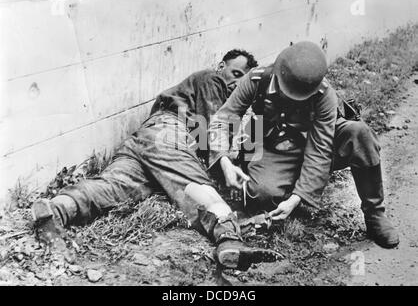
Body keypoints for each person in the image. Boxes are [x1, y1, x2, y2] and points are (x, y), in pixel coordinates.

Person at [31, 49, 281, 270]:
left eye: (243, 78)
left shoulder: (213, 94)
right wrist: (230, 167)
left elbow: (212, 135)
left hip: (146, 141)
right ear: (221, 67)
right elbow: (212, 133)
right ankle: (229, 238)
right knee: (195, 183)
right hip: (168, 134)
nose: (236, 82)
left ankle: (57, 209)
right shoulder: (210, 79)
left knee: (116, 186)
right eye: (235, 73)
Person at [208, 41, 399, 249]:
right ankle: (291, 184)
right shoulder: (256, 79)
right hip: (276, 147)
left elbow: (320, 150)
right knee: (261, 194)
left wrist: (298, 198)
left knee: (360, 134)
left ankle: (374, 214)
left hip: (314, 142)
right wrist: (224, 160)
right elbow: (222, 120)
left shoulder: (325, 95)